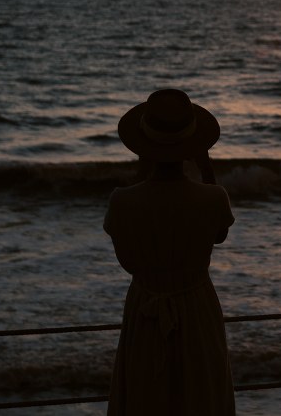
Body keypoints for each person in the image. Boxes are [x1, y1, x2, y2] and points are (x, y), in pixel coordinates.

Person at [105, 89, 236, 415]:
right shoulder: (213, 198)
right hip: (197, 307)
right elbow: (219, 235)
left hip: (146, 306)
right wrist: (206, 169)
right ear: (191, 148)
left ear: (142, 147)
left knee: (144, 392)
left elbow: (128, 262)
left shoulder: (122, 201)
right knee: (201, 391)